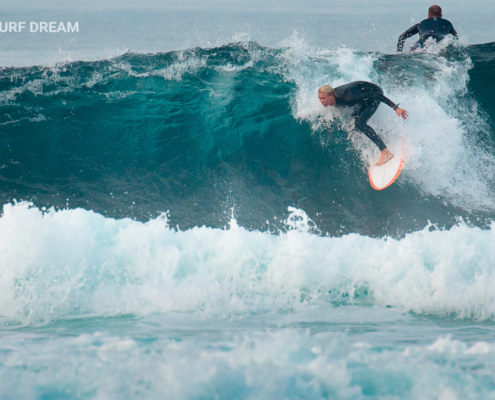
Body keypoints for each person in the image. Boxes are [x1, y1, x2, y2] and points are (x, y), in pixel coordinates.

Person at [318, 81, 409, 166]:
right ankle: (382, 136)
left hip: (375, 92)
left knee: (360, 124)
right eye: (320, 98)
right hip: (362, 93)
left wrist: (396, 108)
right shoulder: (334, 97)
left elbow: (377, 96)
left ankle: (385, 153)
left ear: (331, 96)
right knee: (355, 126)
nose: (321, 101)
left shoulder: (348, 99)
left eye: (323, 98)